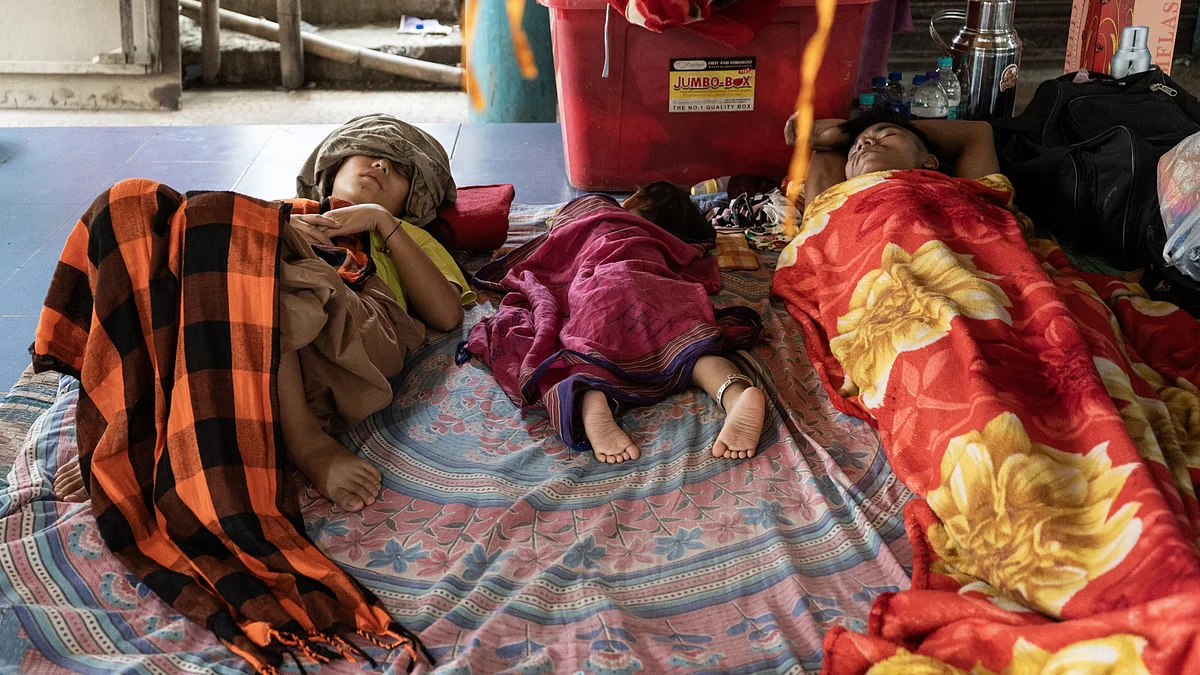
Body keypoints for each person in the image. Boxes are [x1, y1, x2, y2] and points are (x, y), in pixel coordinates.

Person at [54, 114, 473, 513]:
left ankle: (305, 440)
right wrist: (277, 226)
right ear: (330, 166)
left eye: (399, 169)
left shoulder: (405, 234)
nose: (381, 164)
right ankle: (144, 419)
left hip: (350, 327)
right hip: (247, 333)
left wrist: (379, 221)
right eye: (370, 152)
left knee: (255, 251)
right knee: (132, 202)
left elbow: (446, 314)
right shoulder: (278, 208)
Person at [464, 182, 766, 464]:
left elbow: (555, 242)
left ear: (634, 199)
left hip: (601, 285)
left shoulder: (595, 206)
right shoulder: (659, 240)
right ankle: (736, 395)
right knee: (694, 349)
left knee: (589, 349)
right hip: (654, 282)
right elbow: (694, 250)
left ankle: (594, 399)